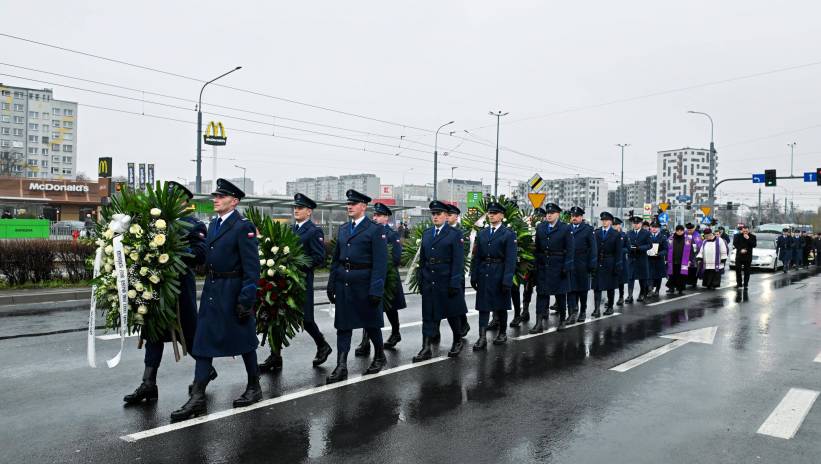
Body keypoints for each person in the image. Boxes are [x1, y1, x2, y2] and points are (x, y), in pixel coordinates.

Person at [171, 179, 262, 421]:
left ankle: (254, 386)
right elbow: (206, 257)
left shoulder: (243, 227)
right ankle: (198, 396)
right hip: (213, 290)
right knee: (202, 344)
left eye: (221, 197)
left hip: (233, 291)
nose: (215, 199)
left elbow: (252, 268)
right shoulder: (214, 225)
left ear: (234, 201)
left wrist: (247, 298)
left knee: (244, 341)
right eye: (215, 196)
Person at [124, 181, 208, 406]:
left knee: (189, 335)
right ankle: (148, 383)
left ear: (183, 202)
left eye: (172, 199)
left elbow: (201, 254)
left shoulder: (193, 224)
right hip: (154, 285)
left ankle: (205, 371)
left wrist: (174, 250)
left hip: (179, 288)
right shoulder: (153, 222)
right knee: (152, 332)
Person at [259, 193, 332, 373]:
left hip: (301, 282)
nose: (296, 210)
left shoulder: (314, 231)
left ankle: (322, 345)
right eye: (295, 208)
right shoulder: (291, 229)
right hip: (284, 281)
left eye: (300, 208)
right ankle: (275, 356)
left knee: (306, 319)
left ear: (309, 212)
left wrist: (296, 264)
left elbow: (319, 257)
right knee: (278, 316)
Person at [325, 190, 389, 383]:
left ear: (363, 206)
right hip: (344, 284)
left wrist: (376, 289)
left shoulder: (375, 229)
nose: (349, 206)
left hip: (365, 284)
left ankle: (379, 355)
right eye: (348, 204)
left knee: (371, 324)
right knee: (343, 326)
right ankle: (341, 365)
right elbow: (336, 260)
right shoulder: (344, 229)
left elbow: (380, 263)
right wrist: (331, 283)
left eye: (353, 204)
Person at [414, 201, 467, 360]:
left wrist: (454, 282)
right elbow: (423, 259)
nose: (435, 217)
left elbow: (458, 262)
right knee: (428, 315)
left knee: (452, 313)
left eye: (439, 214)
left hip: (446, 279)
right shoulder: (427, 233)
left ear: (446, 216)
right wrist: (421, 278)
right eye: (433, 214)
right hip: (430, 279)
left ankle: (457, 340)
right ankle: (426, 347)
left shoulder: (454, 234)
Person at [357, 202, 407, 351]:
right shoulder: (370, 232)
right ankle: (365, 342)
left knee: (391, 308)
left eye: (379, 215)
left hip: (388, 276)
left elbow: (397, 258)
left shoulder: (392, 235)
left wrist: (383, 264)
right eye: (374, 215)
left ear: (386, 218)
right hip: (372, 275)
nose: (375, 218)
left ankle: (396, 332)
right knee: (369, 308)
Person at [469, 201, 517, 349]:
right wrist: (474, 275)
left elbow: (510, 259)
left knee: (501, 305)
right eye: (489, 213)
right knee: (483, 307)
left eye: (494, 213)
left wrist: (507, 279)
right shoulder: (482, 233)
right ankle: (482, 337)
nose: (491, 215)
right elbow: (477, 256)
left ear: (501, 216)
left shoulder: (508, 234)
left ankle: (502, 333)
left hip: (500, 272)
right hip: (484, 272)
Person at [531, 202, 574, 332]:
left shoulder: (565, 228)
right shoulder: (541, 227)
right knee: (541, 294)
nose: (549, 215)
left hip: (559, 265)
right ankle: (538, 323)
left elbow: (570, 249)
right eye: (548, 213)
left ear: (558, 214)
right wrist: (536, 264)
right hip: (544, 266)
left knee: (560, 295)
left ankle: (562, 319)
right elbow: (537, 248)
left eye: (552, 213)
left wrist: (566, 267)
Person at [511, 207, 544, 327]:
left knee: (528, 287)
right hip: (521, 261)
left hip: (532, 262)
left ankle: (527, 310)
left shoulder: (539, 227)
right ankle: (521, 312)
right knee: (519, 287)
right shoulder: (518, 225)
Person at [567, 206, 596, 323]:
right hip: (570, 263)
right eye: (572, 216)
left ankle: (583, 311)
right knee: (570, 289)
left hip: (583, 263)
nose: (574, 218)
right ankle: (573, 312)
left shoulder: (588, 229)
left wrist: (592, 263)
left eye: (576, 216)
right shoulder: (567, 228)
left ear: (581, 217)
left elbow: (593, 248)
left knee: (582, 290)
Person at [446, 203, 470, 338]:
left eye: (450, 215)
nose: (448, 217)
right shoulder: (442, 230)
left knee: (458, 300)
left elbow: (464, 251)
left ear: (456, 217)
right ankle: (434, 333)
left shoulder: (463, 232)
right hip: (443, 272)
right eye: (447, 215)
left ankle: (464, 323)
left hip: (457, 272)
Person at [592, 212, 622, 317]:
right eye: (603, 220)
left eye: (606, 220)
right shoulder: (597, 233)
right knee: (597, 287)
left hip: (610, 262)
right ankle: (596, 309)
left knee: (610, 287)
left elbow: (618, 252)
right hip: (598, 262)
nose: (604, 222)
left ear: (610, 221)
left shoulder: (616, 234)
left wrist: (618, 265)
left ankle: (610, 307)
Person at [625, 216, 652, 303]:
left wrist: (639, 248)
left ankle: (642, 294)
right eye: (634, 223)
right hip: (631, 258)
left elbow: (649, 245)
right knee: (630, 278)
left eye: (637, 223)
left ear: (640, 224)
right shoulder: (628, 233)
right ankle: (630, 295)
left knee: (642, 278)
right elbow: (625, 245)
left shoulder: (646, 233)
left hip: (641, 258)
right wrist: (629, 249)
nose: (635, 225)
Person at [666, 225, 695, 294]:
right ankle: (671, 287)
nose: (679, 232)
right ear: (675, 231)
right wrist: (666, 258)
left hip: (683, 260)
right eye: (678, 230)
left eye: (681, 230)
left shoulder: (687, 239)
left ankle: (680, 288)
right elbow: (667, 249)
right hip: (672, 260)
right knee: (672, 274)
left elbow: (691, 250)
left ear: (683, 231)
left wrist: (690, 260)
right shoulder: (670, 239)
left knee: (681, 275)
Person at [646, 221, 668, 299]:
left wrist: (659, 254)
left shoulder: (663, 237)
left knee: (658, 276)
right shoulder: (647, 236)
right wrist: (647, 251)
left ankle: (657, 290)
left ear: (659, 228)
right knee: (649, 275)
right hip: (649, 259)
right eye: (652, 227)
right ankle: (649, 290)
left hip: (659, 260)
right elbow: (644, 246)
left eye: (656, 227)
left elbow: (666, 249)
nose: (654, 229)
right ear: (650, 228)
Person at [614, 217, 630, 306]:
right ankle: (610, 300)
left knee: (620, 281)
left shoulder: (624, 235)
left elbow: (628, 248)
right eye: (614, 225)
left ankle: (621, 297)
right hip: (611, 261)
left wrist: (619, 250)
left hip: (621, 261)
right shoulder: (610, 234)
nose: (615, 226)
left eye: (616, 225)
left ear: (620, 225)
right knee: (610, 281)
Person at [684, 223, 703, 288]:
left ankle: (693, 282)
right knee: (686, 268)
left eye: (691, 230)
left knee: (694, 268)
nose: (689, 231)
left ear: (694, 229)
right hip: (685, 254)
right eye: (688, 230)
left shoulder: (697, 235)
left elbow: (700, 244)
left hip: (694, 254)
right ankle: (686, 281)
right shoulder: (684, 234)